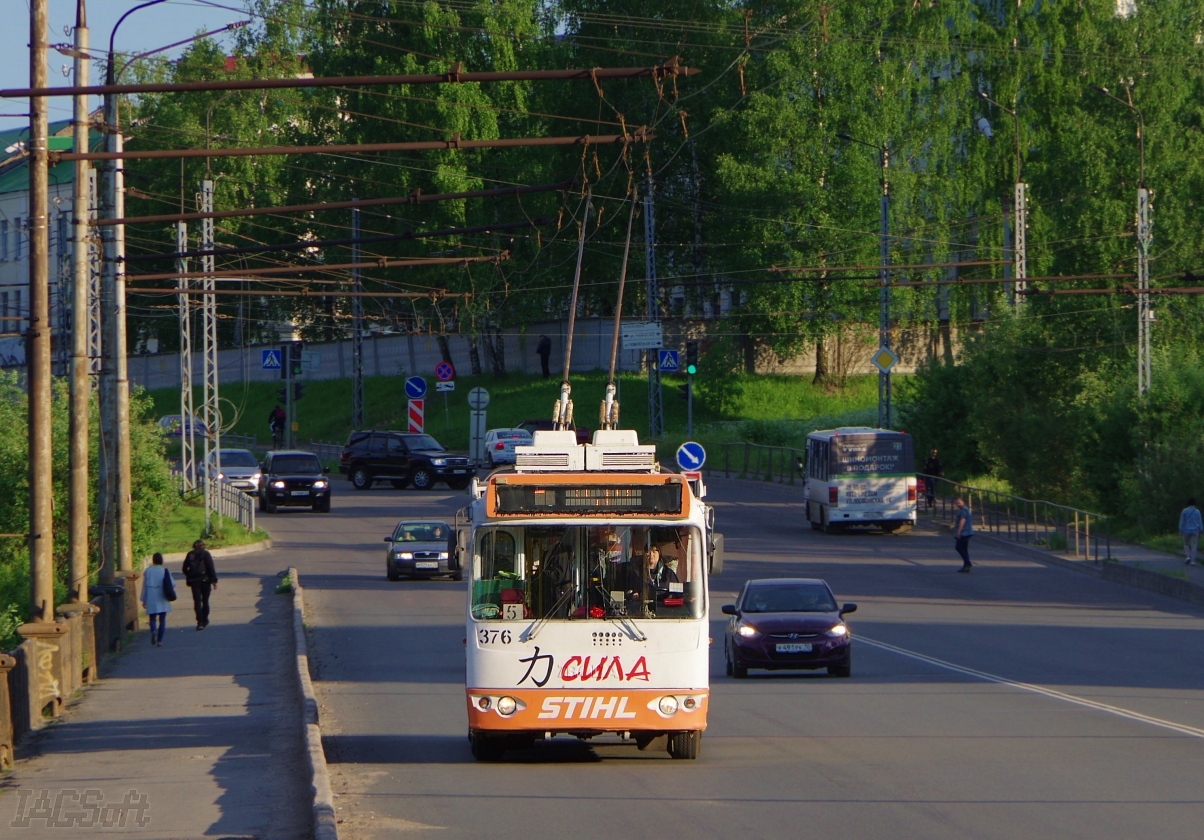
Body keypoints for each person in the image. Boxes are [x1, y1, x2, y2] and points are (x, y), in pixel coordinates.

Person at [182, 539, 219, 630]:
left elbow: (184, 568)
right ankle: (205, 619)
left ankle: (199, 622)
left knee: (197, 602)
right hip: (205, 581)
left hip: (194, 582)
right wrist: (214, 580)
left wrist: (189, 575)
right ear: (203, 546)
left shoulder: (190, 554)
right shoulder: (206, 554)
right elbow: (210, 567)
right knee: (205, 601)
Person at [140, 552, 174, 647]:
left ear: (153, 560)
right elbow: (172, 584)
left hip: (151, 596)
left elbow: (144, 586)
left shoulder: (148, 571)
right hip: (162, 596)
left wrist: (143, 599)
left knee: (152, 618)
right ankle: (160, 640)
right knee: (162, 619)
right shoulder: (165, 571)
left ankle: (153, 631)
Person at [1179, 497, 1203, 566]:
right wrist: (1201, 530)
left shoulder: (1184, 511)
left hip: (1186, 530)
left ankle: (1188, 556)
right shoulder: (1197, 511)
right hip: (1195, 530)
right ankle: (1193, 561)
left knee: (1186, 544)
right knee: (1194, 546)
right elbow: (1200, 522)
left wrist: (1181, 530)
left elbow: (1182, 521)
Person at [954, 497, 973, 573]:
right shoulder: (967, 510)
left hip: (964, 533)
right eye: (957, 503)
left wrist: (959, 532)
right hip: (968, 532)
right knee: (964, 549)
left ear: (963, 502)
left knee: (958, 547)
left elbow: (962, 520)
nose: (958, 504)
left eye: (959, 503)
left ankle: (968, 563)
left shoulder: (963, 511)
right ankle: (966, 567)